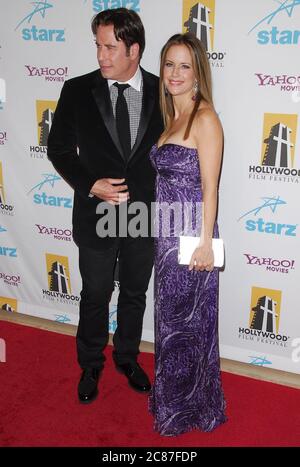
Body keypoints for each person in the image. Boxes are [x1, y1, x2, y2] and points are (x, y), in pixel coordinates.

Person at [47, 8, 163, 404]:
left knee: (134, 291)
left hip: (143, 214)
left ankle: (128, 357)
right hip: (96, 212)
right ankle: (91, 363)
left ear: (134, 48)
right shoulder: (77, 90)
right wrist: (89, 184)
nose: (100, 55)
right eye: (98, 45)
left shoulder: (164, 90)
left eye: (110, 47)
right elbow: (58, 148)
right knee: (95, 294)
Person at [148, 33, 227, 436]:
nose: (175, 73)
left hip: (191, 242)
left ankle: (190, 408)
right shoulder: (172, 117)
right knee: (168, 324)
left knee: (188, 327)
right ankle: (172, 398)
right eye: (169, 64)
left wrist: (205, 245)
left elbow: (210, 187)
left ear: (197, 72)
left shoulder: (205, 118)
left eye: (184, 65)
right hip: (165, 240)